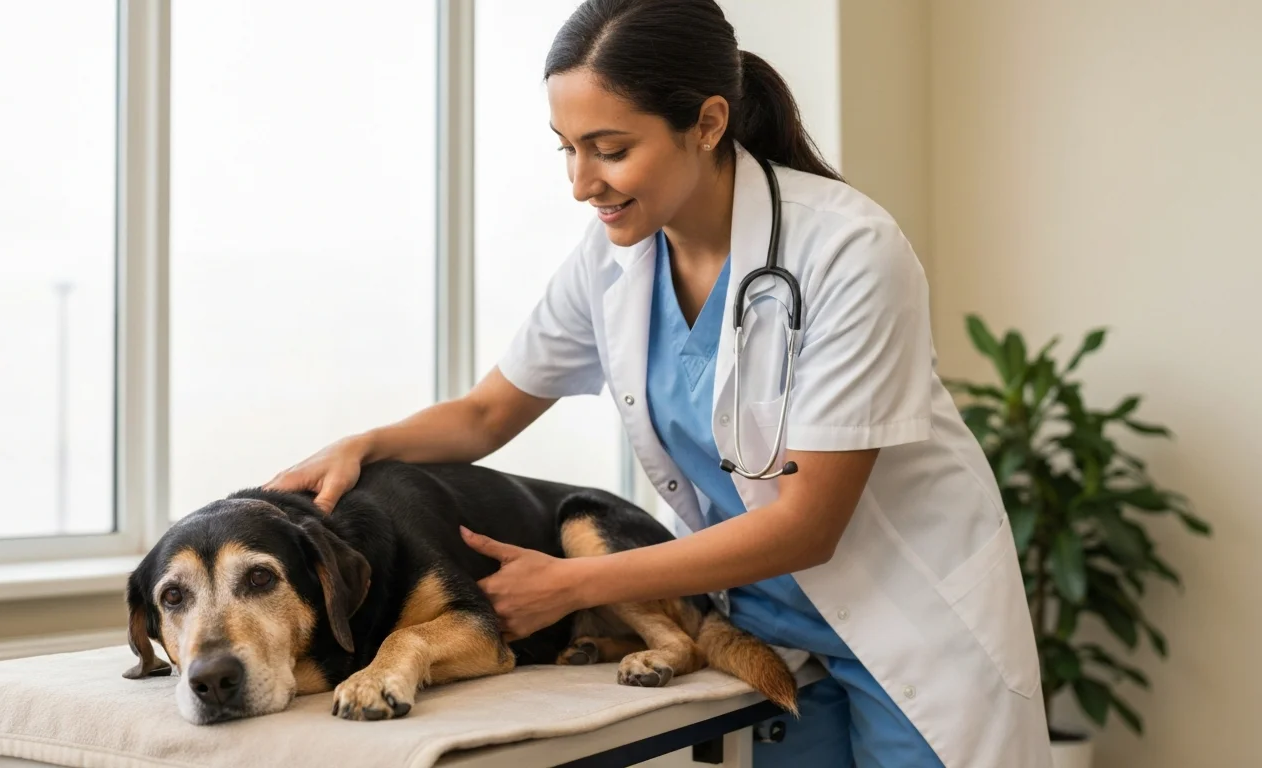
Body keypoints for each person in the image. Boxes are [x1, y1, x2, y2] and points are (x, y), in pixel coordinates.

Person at [266, 0, 1051, 765]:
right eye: (566, 149)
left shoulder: (849, 250)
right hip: (769, 627)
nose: (582, 183)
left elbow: (808, 523)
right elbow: (485, 414)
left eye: (609, 149)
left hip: (908, 625)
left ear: (707, 124)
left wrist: (575, 583)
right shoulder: (612, 259)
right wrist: (364, 445)